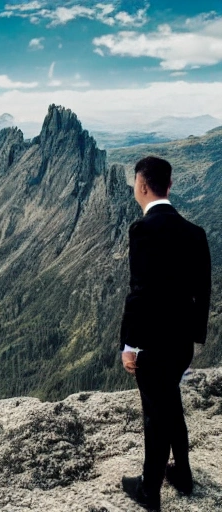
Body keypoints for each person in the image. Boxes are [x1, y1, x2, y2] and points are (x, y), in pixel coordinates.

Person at [119, 156, 211, 511]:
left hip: (153, 346)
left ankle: (149, 490)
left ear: (142, 186)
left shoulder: (143, 230)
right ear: (169, 185)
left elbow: (138, 292)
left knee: (155, 415)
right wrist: (194, 342)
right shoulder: (195, 233)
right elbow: (203, 294)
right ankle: (183, 474)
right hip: (181, 345)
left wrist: (130, 344)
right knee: (171, 407)